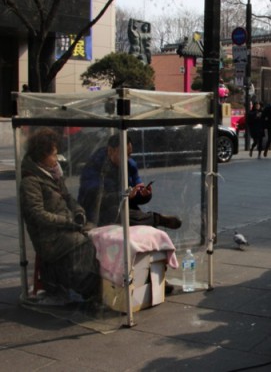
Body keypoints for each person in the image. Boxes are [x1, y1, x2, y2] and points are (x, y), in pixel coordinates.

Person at [20, 128, 100, 301]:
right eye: (54, 155)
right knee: (83, 242)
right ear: (42, 155)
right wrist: (67, 222)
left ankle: (103, 280)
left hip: (64, 227)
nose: (56, 159)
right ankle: (88, 287)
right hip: (48, 237)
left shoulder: (53, 174)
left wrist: (78, 211)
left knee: (98, 234)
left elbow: (67, 197)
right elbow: (38, 214)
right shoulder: (30, 181)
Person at [78, 135, 182, 229]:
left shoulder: (130, 165)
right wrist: (123, 195)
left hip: (125, 207)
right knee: (117, 214)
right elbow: (95, 200)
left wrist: (143, 194)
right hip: (99, 213)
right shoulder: (94, 168)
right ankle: (155, 219)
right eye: (124, 154)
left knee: (132, 215)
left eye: (129, 154)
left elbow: (136, 191)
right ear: (110, 151)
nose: (127, 158)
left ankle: (150, 220)